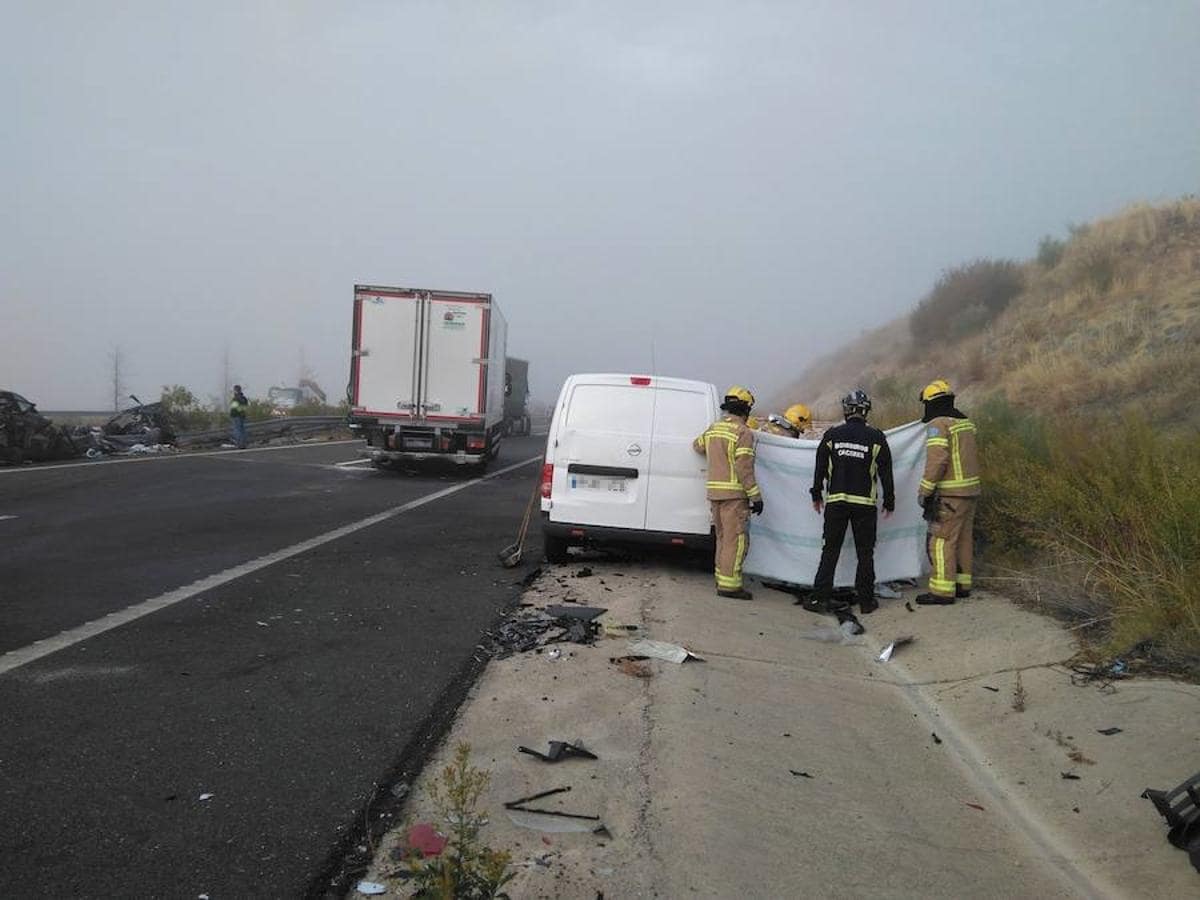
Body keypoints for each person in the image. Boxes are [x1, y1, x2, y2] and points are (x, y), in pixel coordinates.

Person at [809, 389, 894, 615]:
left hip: (836, 502)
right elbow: (886, 472)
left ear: (846, 410)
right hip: (865, 505)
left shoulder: (832, 436)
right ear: (866, 412)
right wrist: (890, 500)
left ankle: (820, 599)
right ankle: (866, 602)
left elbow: (819, 468)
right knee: (865, 553)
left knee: (830, 551)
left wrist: (816, 494)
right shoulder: (877, 437)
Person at [693, 386, 764, 600]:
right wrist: (756, 497)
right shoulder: (743, 433)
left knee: (723, 539)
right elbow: (744, 468)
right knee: (736, 540)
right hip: (734, 497)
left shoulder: (714, 429)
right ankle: (730, 586)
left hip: (715, 494)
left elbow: (697, 446)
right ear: (745, 410)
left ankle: (721, 578)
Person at [914, 380, 981, 605]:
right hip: (970, 492)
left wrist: (925, 490)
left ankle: (942, 591)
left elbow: (937, 460)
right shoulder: (965, 422)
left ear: (931, 403)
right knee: (963, 540)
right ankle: (962, 585)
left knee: (941, 541)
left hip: (951, 495)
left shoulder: (939, 424)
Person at [229, 384, 249, 450]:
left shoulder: (236, 398)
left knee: (237, 430)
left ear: (235, 390)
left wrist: (232, 415)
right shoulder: (244, 398)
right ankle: (244, 444)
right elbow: (245, 407)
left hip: (236, 416)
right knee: (243, 430)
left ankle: (239, 444)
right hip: (242, 416)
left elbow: (234, 408)